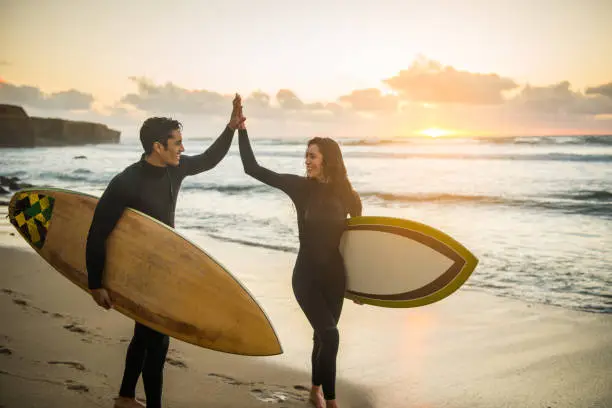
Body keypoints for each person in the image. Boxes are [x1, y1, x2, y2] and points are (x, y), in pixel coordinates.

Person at [85, 95, 245, 408]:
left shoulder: (176, 169)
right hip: (138, 274)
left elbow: (209, 159)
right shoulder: (125, 182)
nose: (182, 149)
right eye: (177, 143)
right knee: (157, 340)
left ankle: (126, 397)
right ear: (158, 147)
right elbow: (98, 231)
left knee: (144, 337)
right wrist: (95, 282)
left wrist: (230, 127)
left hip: (164, 270)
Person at [236, 99, 362, 408]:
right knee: (330, 336)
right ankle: (331, 402)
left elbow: (357, 243)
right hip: (305, 276)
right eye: (306, 155)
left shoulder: (349, 196)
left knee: (323, 337)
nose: (306, 161)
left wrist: (362, 286)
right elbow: (252, 169)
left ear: (328, 160)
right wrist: (241, 130)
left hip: (334, 277)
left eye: (312, 156)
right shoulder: (300, 188)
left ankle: (315, 388)